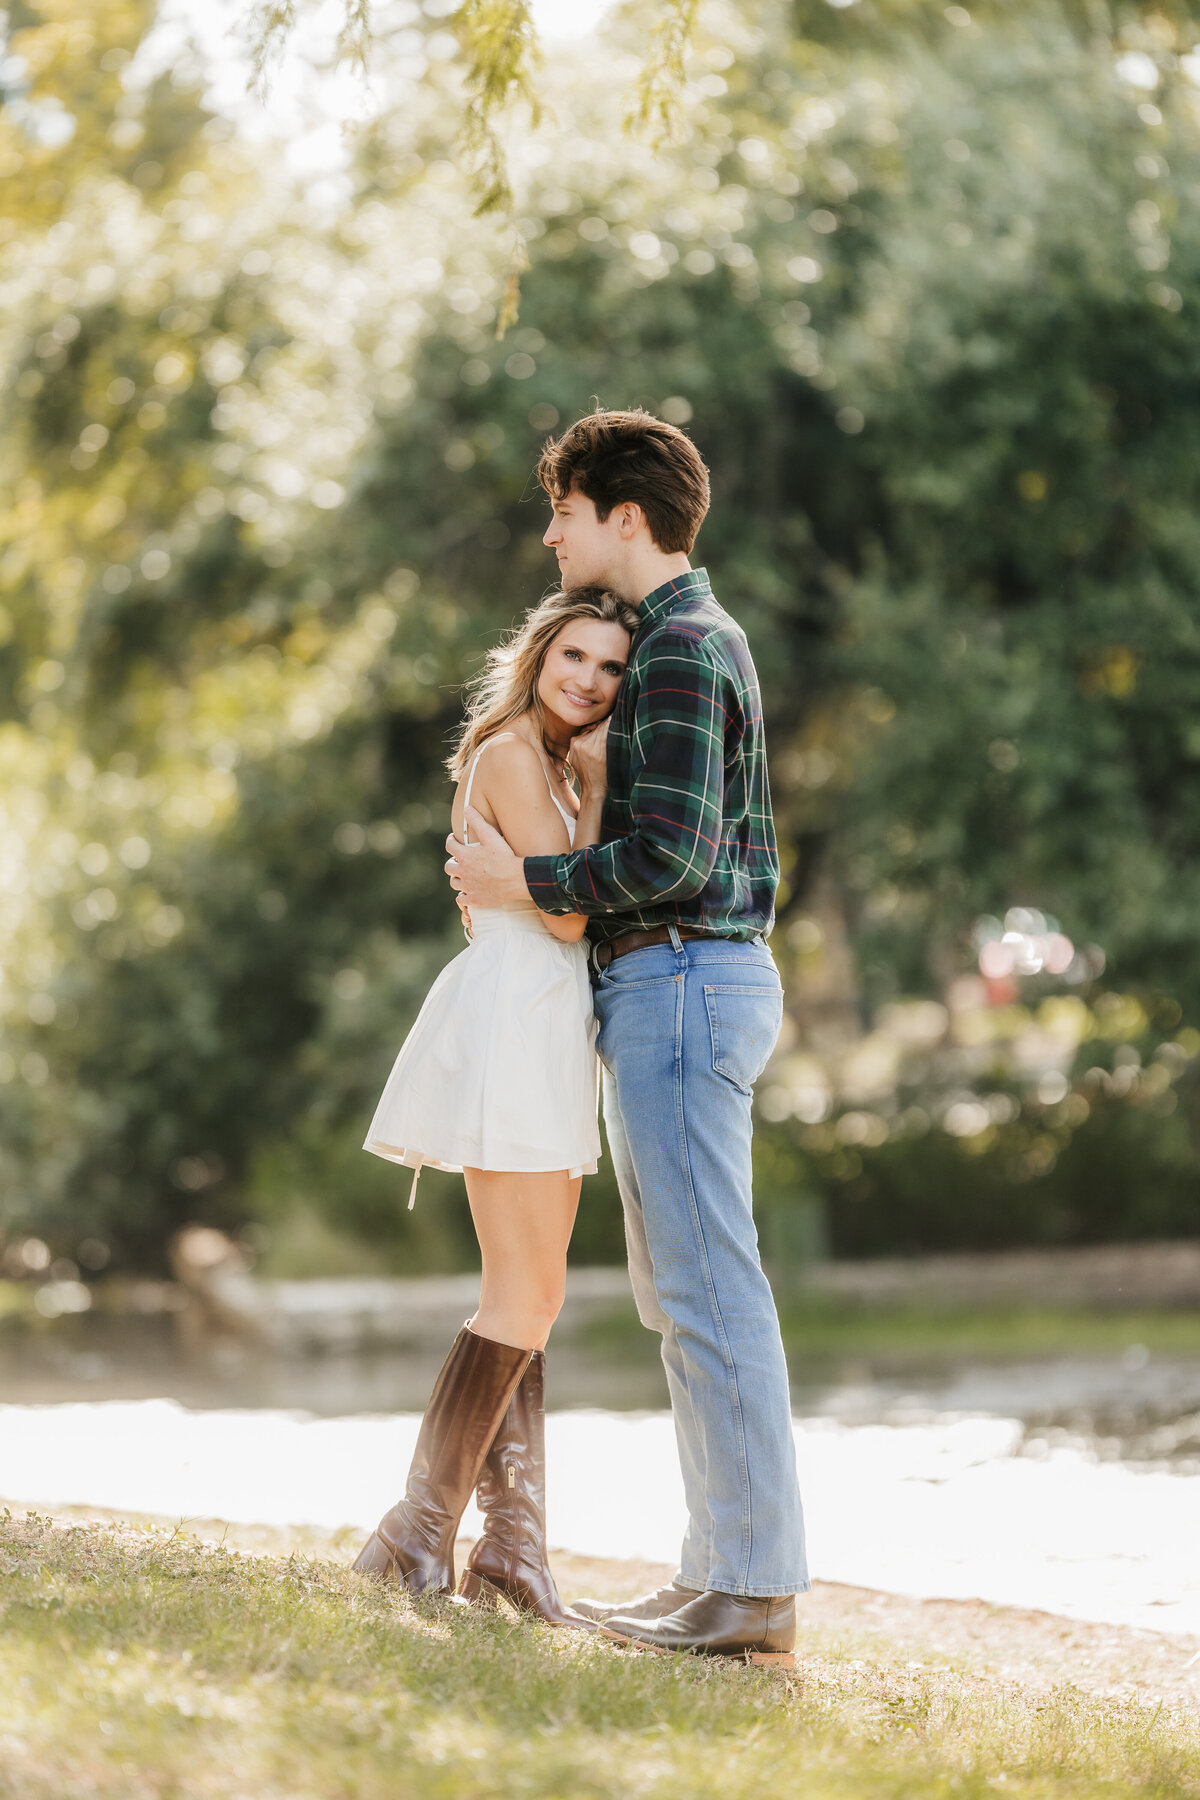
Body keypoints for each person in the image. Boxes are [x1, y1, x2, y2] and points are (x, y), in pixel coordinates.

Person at [446, 409, 808, 1668]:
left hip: (685, 976)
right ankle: (722, 1572)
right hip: (670, 983)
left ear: (624, 518)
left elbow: (670, 857)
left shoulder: (682, 649)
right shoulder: (672, 644)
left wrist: (529, 884)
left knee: (710, 1292)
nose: (552, 536)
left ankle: (752, 1586)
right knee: (682, 1295)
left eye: (565, 512)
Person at [352, 583, 639, 1627]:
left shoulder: (548, 759)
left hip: (546, 1024)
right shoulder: (520, 753)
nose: (590, 681)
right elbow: (566, 916)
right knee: (521, 1295)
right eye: (576, 656)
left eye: (611, 668)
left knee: (535, 1295)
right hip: (520, 1017)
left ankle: (512, 1548)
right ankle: (417, 1533)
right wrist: (599, 798)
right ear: (540, 652)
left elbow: (550, 895)